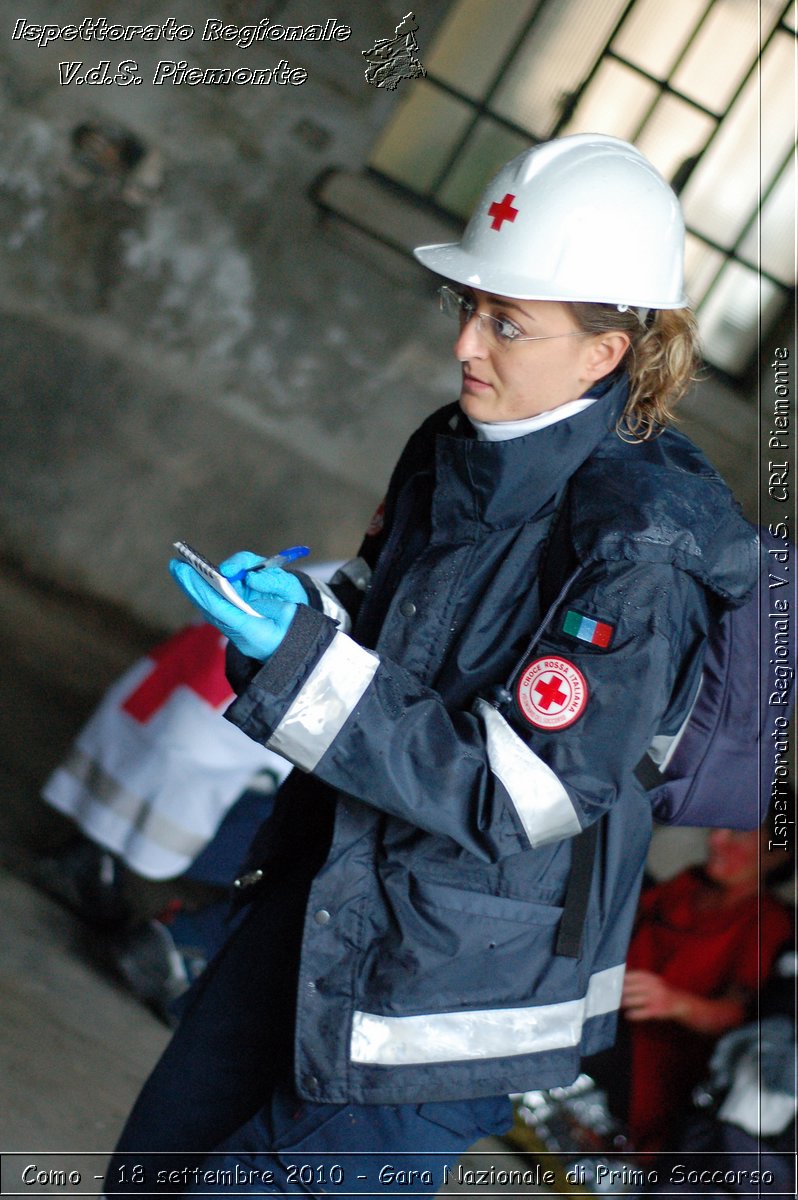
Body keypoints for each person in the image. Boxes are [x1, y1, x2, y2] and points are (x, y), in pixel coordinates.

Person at [104, 133, 760, 1196]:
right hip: (326, 901)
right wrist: (302, 611)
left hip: (450, 996)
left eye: (509, 321)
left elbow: (522, 793)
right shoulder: (454, 440)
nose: (468, 343)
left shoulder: (645, 543)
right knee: (150, 1174)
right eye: (467, 304)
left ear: (607, 351)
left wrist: (303, 670)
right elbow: (388, 613)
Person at [586, 820, 793, 1153]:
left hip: (647, 1065)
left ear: (778, 854)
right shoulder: (690, 882)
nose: (716, 838)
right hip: (600, 1011)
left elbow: (739, 1016)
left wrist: (674, 1003)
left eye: (737, 833)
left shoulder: (767, 922)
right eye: (719, 828)